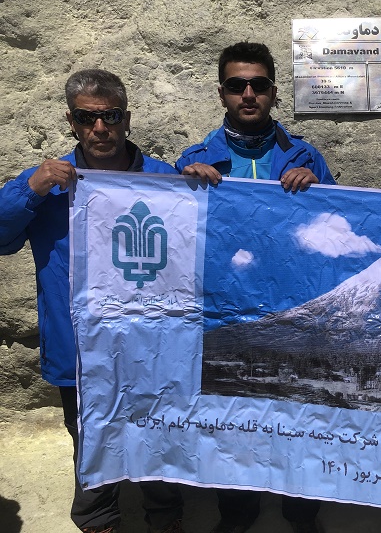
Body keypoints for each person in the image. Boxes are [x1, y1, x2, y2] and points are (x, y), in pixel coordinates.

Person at [0, 69, 184, 533]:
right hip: (80, 347)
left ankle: (164, 516)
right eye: (87, 118)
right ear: (72, 121)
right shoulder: (47, 183)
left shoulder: (165, 179)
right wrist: (30, 189)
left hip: (151, 342)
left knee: (158, 431)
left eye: (110, 117)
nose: (99, 128)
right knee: (90, 438)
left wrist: (199, 187)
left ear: (127, 119)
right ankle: (98, 519)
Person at [177, 42, 335, 533]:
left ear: (273, 92)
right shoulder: (195, 160)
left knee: (300, 419)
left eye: (259, 85)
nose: (248, 94)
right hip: (224, 314)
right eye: (236, 85)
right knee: (228, 420)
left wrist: (319, 187)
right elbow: (182, 240)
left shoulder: (306, 156)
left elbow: (337, 224)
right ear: (221, 93)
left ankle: (302, 515)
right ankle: (237, 513)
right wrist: (184, 187)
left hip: (293, 312)